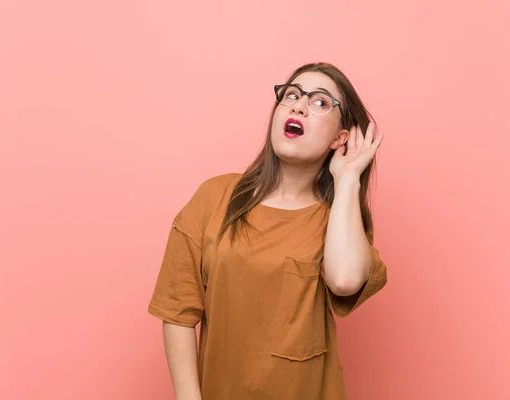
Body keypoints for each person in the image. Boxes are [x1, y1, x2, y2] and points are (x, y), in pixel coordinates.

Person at [148, 61, 388, 399]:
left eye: (320, 102)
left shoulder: (340, 220)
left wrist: (347, 179)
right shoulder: (214, 198)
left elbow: (345, 280)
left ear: (340, 137)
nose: (299, 105)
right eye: (292, 95)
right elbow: (177, 311)